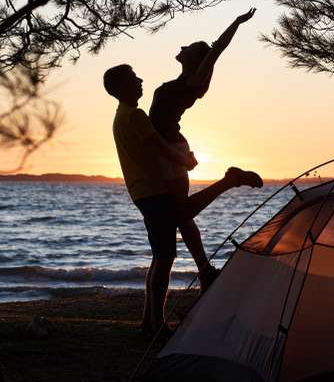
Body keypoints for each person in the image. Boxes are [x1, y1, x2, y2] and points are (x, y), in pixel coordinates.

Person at [103, 63, 262, 335]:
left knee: (162, 254)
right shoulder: (135, 116)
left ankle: (149, 323)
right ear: (121, 87)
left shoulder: (122, 116)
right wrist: (185, 161)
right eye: (134, 78)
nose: (140, 80)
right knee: (167, 253)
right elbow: (158, 146)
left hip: (143, 191)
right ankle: (157, 324)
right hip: (152, 190)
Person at [149, 8, 259, 292]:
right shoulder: (182, 83)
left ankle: (229, 180)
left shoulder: (192, 82)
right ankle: (206, 271)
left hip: (170, 149)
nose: (181, 47)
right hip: (167, 148)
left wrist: (235, 21)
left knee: (181, 213)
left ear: (196, 60)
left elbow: (218, 49)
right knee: (181, 217)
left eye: (188, 47)